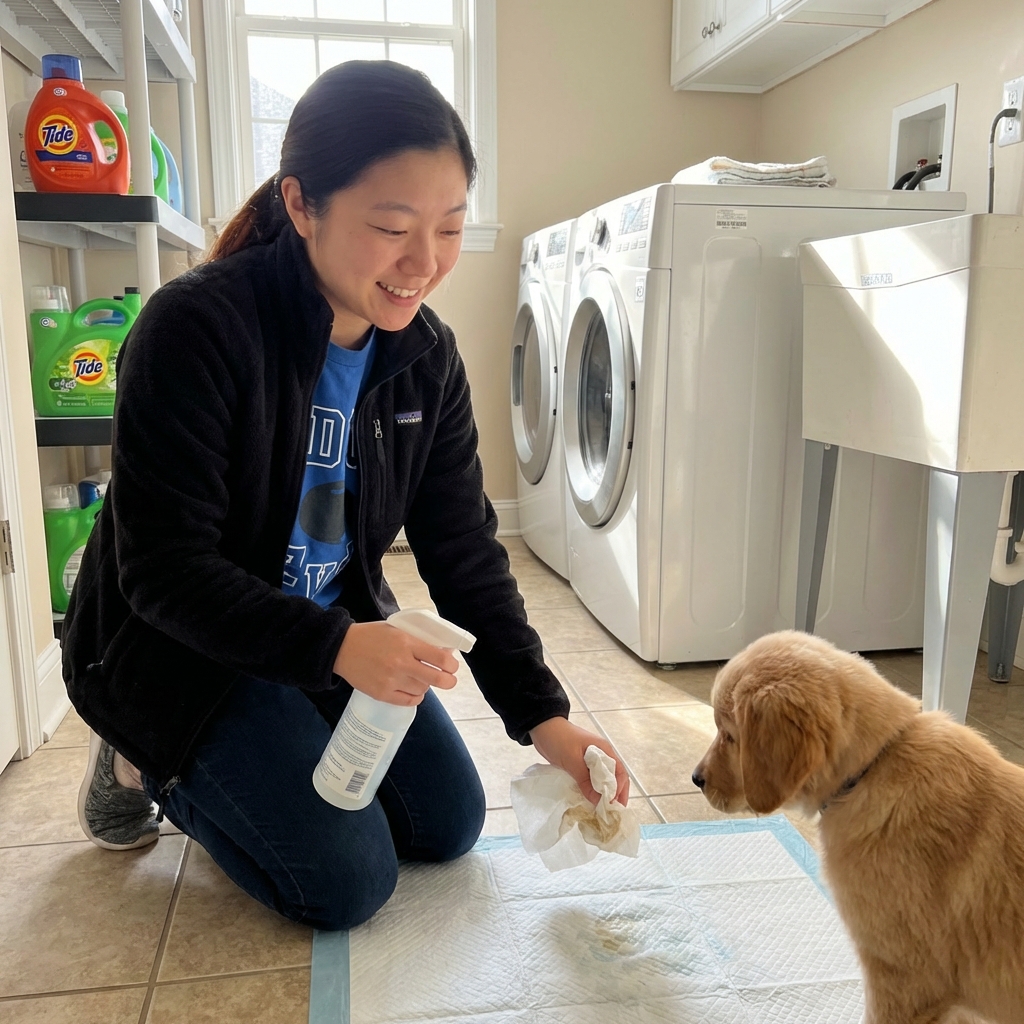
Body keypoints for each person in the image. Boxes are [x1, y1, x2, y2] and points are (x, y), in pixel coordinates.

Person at [63, 60, 629, 931]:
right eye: (393, 227)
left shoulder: (424, 359)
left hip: (327, 633)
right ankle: (136, 757)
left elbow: (465, 550)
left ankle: (280, 723)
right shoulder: (195, 330)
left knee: (449, 824)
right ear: (300, 205)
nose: (425, 263)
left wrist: (546, 719)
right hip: (185, 649)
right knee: (344, 881)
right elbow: (163, 573)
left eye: (449, 228)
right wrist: (335, 645)